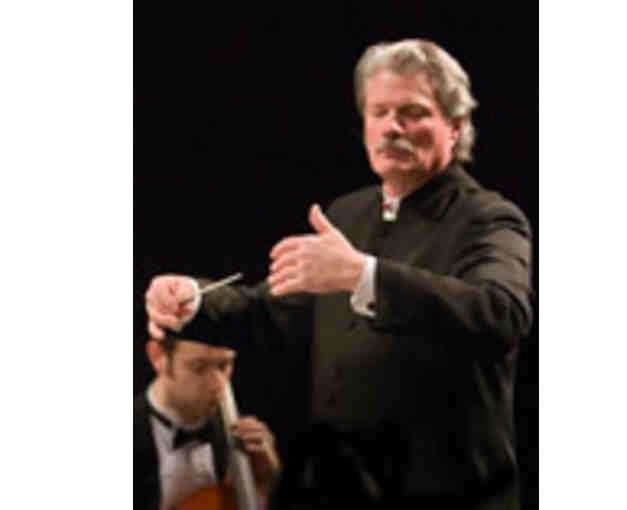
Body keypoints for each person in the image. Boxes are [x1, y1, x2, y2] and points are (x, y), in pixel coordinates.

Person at [144, 38, 533, 508]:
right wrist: (192, 300)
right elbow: (268, 310)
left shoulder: (488, 218)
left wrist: (363, 276)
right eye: (379, 112)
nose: (392, 127)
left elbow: (502, 311)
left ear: (455, 127)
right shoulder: (348, 214)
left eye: (412, 113)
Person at [134, 312, 282, 510]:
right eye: (199, 367)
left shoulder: (239, 434)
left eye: (224, 365)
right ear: (158, 357)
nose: (218, 385)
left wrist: (266, 485)